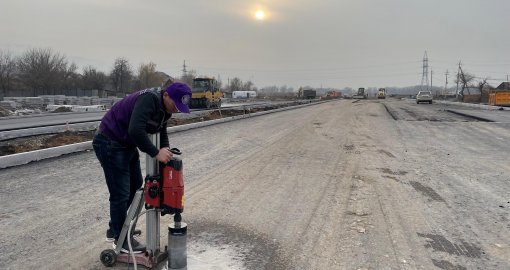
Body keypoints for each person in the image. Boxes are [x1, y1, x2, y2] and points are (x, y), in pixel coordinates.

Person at [92, 79, 192, 253]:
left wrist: (165, 148)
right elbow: (135, 130)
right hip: (110, 142)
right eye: (175, 105)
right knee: (120, 193)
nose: (175, 110)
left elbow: (161, 130)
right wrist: (155, 152)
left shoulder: (165, 109)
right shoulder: (150, 100)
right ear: (166, 94)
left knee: (135, 185)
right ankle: (120, 240)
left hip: (125, 144)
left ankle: (115, 228)